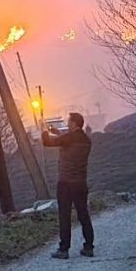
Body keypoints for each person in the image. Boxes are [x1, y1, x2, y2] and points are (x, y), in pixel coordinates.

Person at [41, 111, 94, 259]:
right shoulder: (86, 140)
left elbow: (47, 142)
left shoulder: (69, 138)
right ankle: (89, 247)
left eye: (69, 122)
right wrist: (57, 132)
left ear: (74, 123)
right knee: (83, 214)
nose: (67, 123)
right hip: (81, 182)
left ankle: (64, 249)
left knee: (64, 216)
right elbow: (67, 140)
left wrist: (44, 130)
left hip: (65, 183)